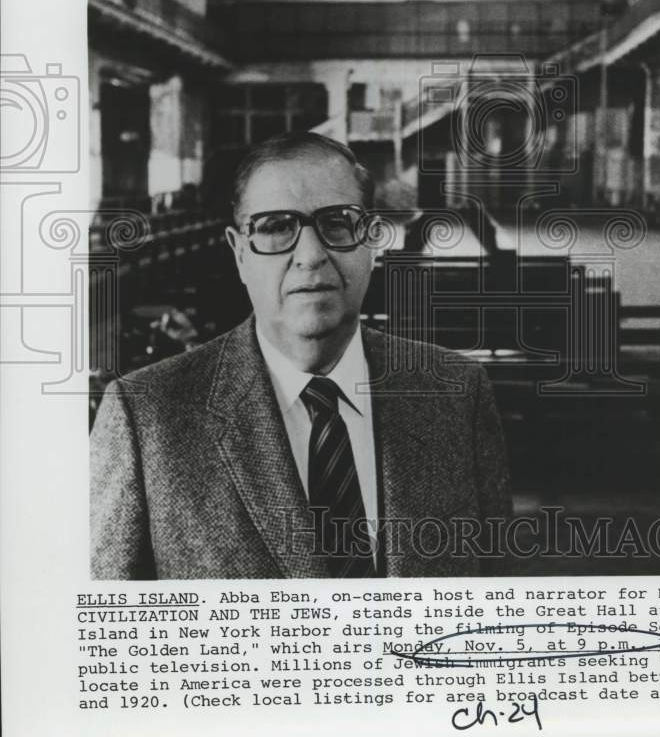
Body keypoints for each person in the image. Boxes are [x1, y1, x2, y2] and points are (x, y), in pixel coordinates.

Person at [91, 132, 512, 579]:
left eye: (338, 222)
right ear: (239, 253)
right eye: (275, 227)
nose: (311, 256)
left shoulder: (457, 394)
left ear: (371, 241)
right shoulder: (146, 417)